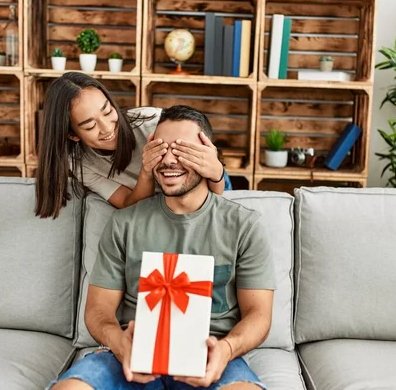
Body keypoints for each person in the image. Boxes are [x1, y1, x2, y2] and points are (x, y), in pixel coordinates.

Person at [50, 106, 275, 390]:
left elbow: (259, 315)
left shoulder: (245, 225)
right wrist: (120, 344)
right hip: (130, 355)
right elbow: (98, 310)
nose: (169, 160)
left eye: (182, 150)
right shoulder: (124, 223)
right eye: (161, 148)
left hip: (211, 351)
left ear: (206, 153)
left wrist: (227, 349)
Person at [35, 72, 229, 219]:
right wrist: (146, 171)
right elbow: (129, 204)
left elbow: (208, 189)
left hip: (204, 178)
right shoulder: (81, 164)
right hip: (163, 199)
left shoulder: (152, 122)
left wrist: (217, 170)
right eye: (90, 125)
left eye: (108, 111)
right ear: (72, 135)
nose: (107, 128)